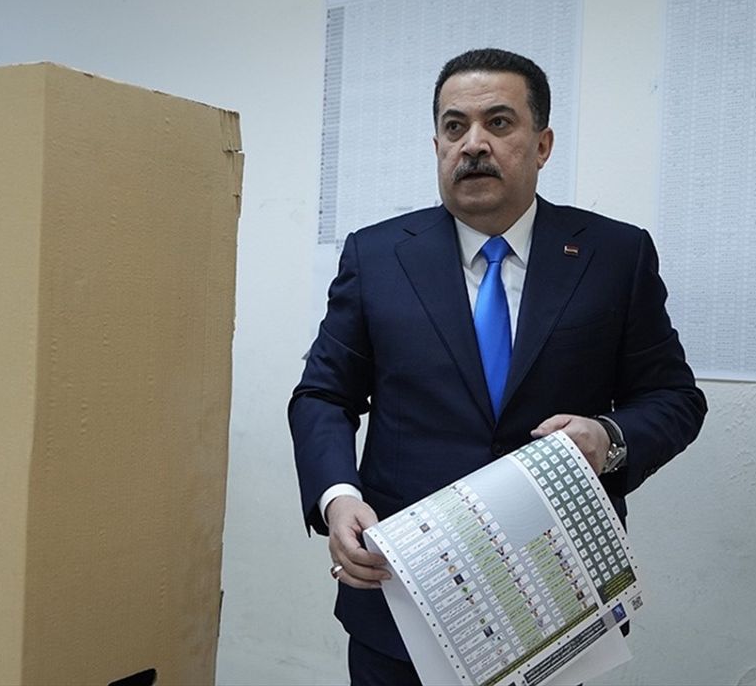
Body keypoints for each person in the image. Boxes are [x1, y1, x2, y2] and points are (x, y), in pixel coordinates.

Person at [288, 48, 707, 685]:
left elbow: (674, 397)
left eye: (499, 123)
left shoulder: (614, 255)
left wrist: (608, 437)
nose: (474, 144)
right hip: (402, 592)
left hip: (553, 597)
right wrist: (337, 496)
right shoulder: (376, 257)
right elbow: (323, 395)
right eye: (455, 127)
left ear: (542, 145)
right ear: (437, 145)